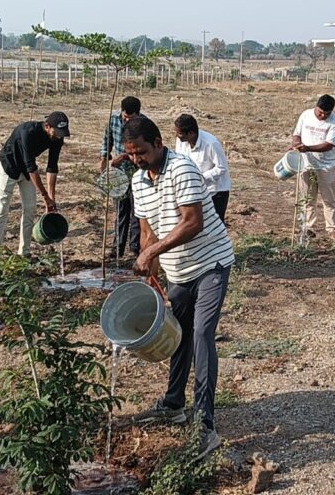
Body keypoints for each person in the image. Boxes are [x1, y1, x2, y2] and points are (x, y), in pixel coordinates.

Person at [124, 116, 235, 462]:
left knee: (201, 334)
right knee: (178, 333)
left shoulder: (182, 169)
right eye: (130, 154)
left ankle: (206, 425)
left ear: (158, 143)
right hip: (178, 272)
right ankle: (174, 403)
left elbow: (193, 221)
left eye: (141, 151)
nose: (137, 159)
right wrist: (151, 278)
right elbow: (147, 233)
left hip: (211, 264)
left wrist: (151, 252)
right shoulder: (140, 180)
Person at [0, 112, 69, 257]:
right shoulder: (28, 132)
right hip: (9, 168)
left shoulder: (58, 138)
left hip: (26, 172)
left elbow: (52, 167)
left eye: (61, 133)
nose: (58, 136)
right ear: (47, 126)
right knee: (2, 209)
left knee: (30, 209)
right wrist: (45, 196)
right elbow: (31, 167)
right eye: (56, 132)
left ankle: (24, 252)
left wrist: (51, 199)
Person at [100, 96, 146, 258]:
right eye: (125, 117)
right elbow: (107, 141)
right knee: (120, 211)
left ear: (138, 114)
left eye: (131, 118)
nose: (127, 121)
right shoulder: (113, 120)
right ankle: (117, 247)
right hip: (118, 174)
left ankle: (134, 248)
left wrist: (126, 156)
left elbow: (145, 148)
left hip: (139, 172)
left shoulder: (144, 123)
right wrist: (104, 160)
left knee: (136, 211)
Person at [291, 94, 335, 242]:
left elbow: (329, 145)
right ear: (316, 107)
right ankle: (308, 227)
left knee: (329, 199)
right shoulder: (306, 115)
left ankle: (332, 229)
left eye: (327, 114)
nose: (323, 116)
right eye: (320, 112)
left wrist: (308, 148)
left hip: (326, 166)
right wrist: (297, 144)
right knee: (307, 198)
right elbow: (296, 135)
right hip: (306, 165)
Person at [173, 113, 232, 223]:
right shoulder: (181, 141)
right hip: (194, 190)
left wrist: (199, 178)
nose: (177, 136)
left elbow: (221, 168)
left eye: (180, 133)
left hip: (215, 192)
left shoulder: (211, 143)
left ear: (191, 133)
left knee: (215, 226)